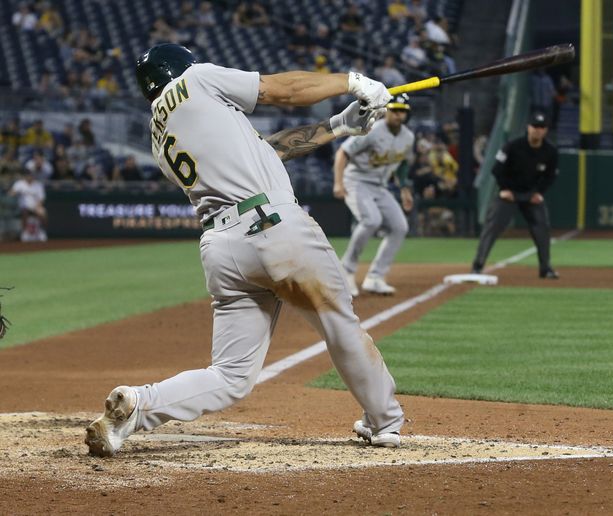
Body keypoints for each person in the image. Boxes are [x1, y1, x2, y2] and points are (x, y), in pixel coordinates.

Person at [84, 43, 404, 457]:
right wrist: (351, 81)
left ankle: (139, 404)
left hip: (222, 250)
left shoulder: (158, 136)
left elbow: (266, 150)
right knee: (339, 323)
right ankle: (385, 422)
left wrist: (338, 125)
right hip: (275, 229)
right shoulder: (196, 79)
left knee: (231, 374)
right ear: (182, 67)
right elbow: (281, 90)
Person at [333, 94, 415, 297]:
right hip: (356, 181)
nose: (398, 115)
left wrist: (404, 189)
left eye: (402, 111)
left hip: (380, 186)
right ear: (387, 111)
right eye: (395, 110)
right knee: (371, 220)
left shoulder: (408, 137)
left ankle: (375, 277)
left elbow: (402, 163)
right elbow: (342, 153)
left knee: (400, 227)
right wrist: (338, 182)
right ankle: (346, 271)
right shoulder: (372, 130)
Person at [471, 111, 559, 279]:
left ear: (546, 130)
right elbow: (497, 169)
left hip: (531, 195)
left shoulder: (550, 152)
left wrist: (539, 193)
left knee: (542, 228)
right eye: (535, 127)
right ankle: (478, 265)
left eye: (541, 127)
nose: (537, 131)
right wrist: (504, 189)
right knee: (492, 227)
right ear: (528, 128)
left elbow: (550, 176)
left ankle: (545, 268)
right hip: (509, 193)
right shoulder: (513, 146)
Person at [9, 169, 47, 242]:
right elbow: (11, 193)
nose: (30, 177)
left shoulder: (38, 185)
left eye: (31, 175)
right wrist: (16, 192)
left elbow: (42, 199)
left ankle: (41, 230)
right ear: (25, 176)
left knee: (43, 212)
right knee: (25, 210)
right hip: (22, 206)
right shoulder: (19, 184)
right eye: (28, 175)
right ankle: (24, 231)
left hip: (35, 206)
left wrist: (38, 206)